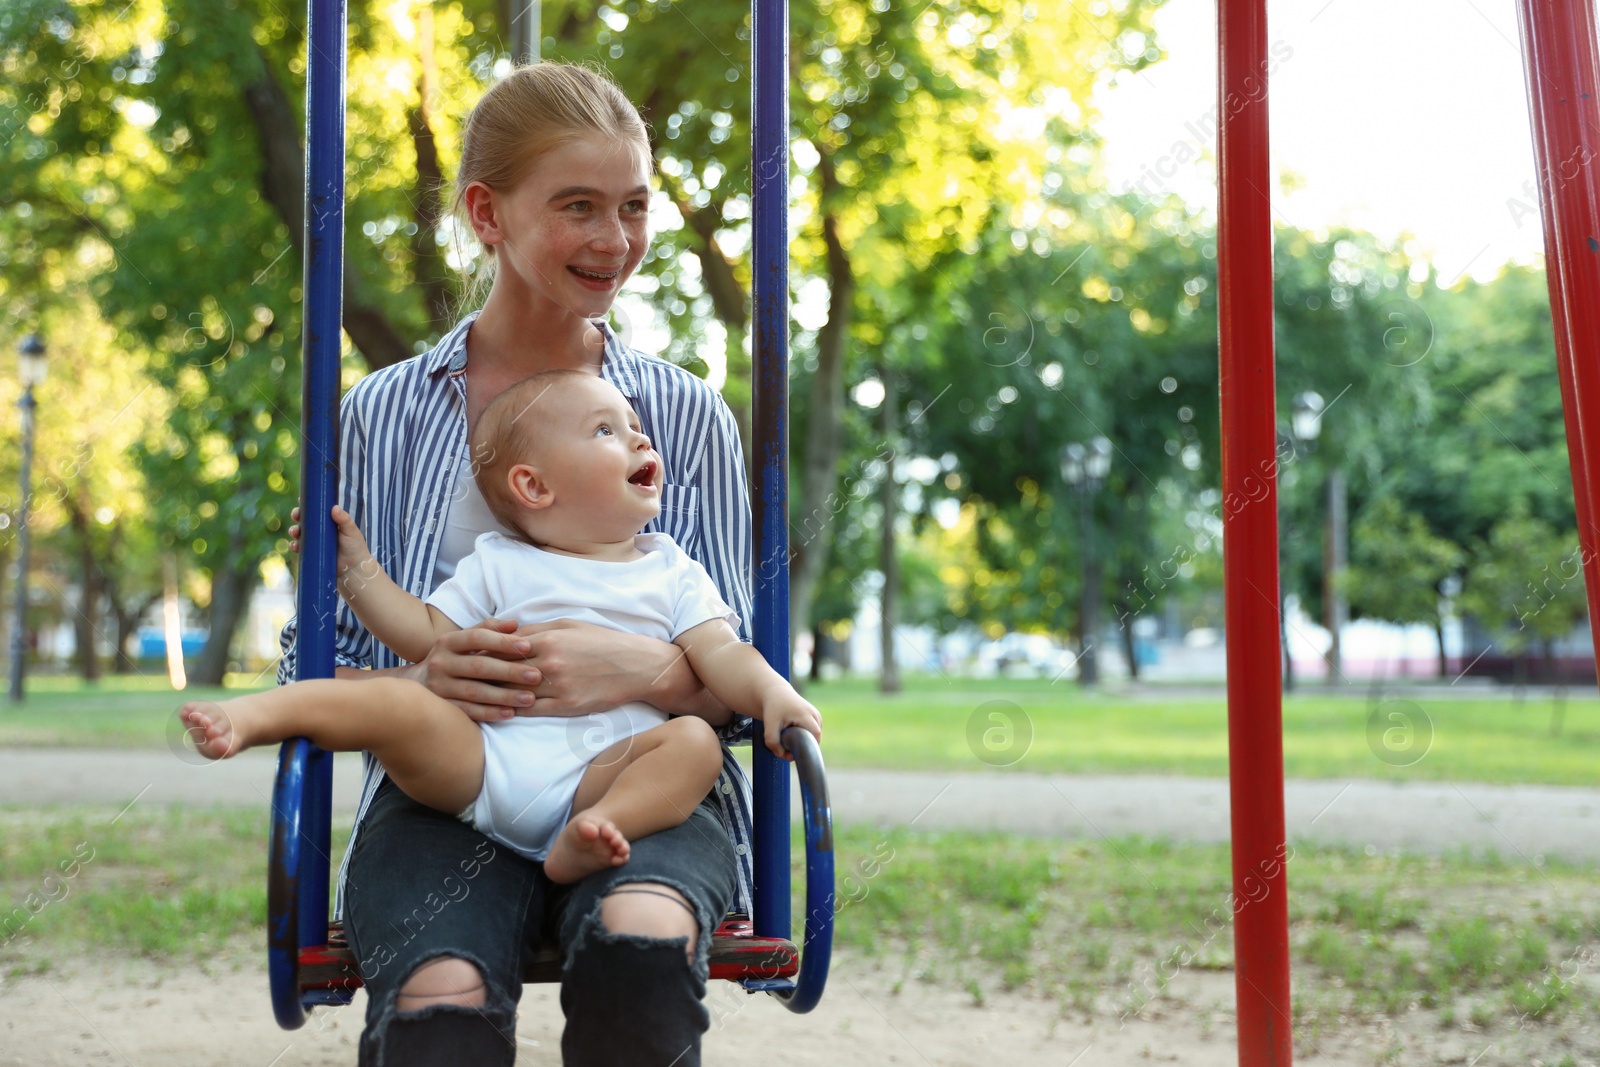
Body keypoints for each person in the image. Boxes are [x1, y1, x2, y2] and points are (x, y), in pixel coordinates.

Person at [271, 62, 765, 1066]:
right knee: (436, 998)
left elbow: (739, 683)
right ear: (486, 212)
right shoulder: (384, 413)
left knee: (640, 939)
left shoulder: (680, 416)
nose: (614, 240)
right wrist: (420, 678)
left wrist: (646, 672)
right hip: (453, 787)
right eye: (577, 206)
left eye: (632, 206)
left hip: (646, 777)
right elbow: (313, 670)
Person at [183, 370, 820, 886]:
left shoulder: (671, 570)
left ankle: (596, 835)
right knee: (395, 700)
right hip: (484, 762)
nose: (641, 441)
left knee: (694, 747)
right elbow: (423, 633)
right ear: (533, 486)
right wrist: (356, 571)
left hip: (604, 777)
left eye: (637, 427)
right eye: (607, 430)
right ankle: (253, 718)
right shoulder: (499, 561)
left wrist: (772, 694)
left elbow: (722, 653)